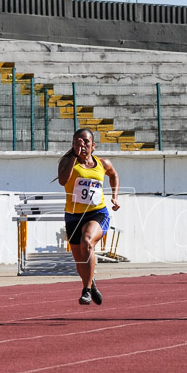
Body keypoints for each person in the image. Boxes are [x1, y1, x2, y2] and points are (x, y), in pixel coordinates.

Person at [57, 128, 120, 306]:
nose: (82, 144)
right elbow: (63, 181)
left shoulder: (103, 164)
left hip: (97, 212)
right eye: (77, 141)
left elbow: (114, 175)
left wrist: (115, 196)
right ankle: (90, 283)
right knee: (80, 260)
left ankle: (85, 290)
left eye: (85, 141)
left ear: (93, 145)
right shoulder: (68, 161)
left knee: (87, 241)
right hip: (73, 216)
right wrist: (74, 158)